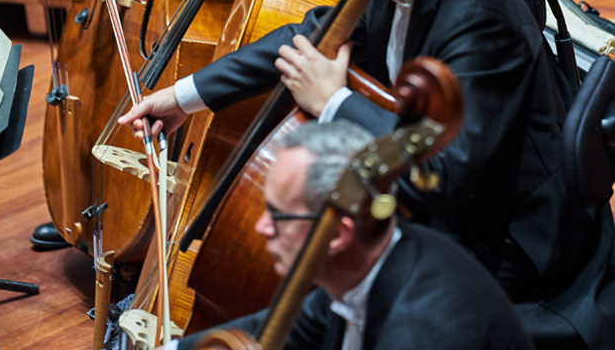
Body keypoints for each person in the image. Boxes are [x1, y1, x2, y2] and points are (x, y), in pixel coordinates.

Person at [121, 0, 615, 348]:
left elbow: (444, 174)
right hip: (447, 200)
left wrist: (333, 103)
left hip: (507, 237)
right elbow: (307, 35)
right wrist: (182, 97)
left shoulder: (478, 16)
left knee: (321, 253)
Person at [161, 121, 535, 350]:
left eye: (277, 215)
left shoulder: (420, 332)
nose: (260, 226)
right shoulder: (374, 261)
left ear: (338, 235)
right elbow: (283, 326)